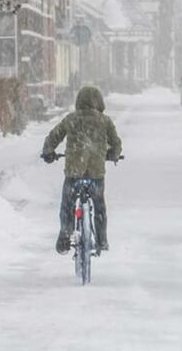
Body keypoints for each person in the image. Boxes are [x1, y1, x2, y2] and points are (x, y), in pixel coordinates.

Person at [41, 86, 122, 255]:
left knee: (67, 204)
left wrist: (48, 153)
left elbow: (54, 136)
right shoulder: (104, 121)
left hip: (74, 173)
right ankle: (101, 240)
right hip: (96, 174)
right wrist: (112, 155)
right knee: (99, 207)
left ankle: (65, 234)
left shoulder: (71, 119)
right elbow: (116, 144)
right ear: (99, 102)